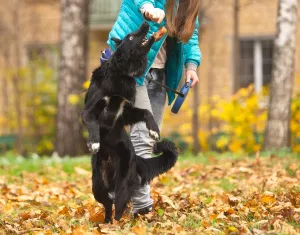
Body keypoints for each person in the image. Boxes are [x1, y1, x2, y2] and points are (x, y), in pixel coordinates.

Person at [106, 0, 202, 217]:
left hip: (159, 74)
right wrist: (148, 8)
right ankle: (142, 206)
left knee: (149, 138)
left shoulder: (187, 3)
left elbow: (191, 36)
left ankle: (116, 191)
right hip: (129, 69)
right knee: (142, 136)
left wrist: (191, 66)